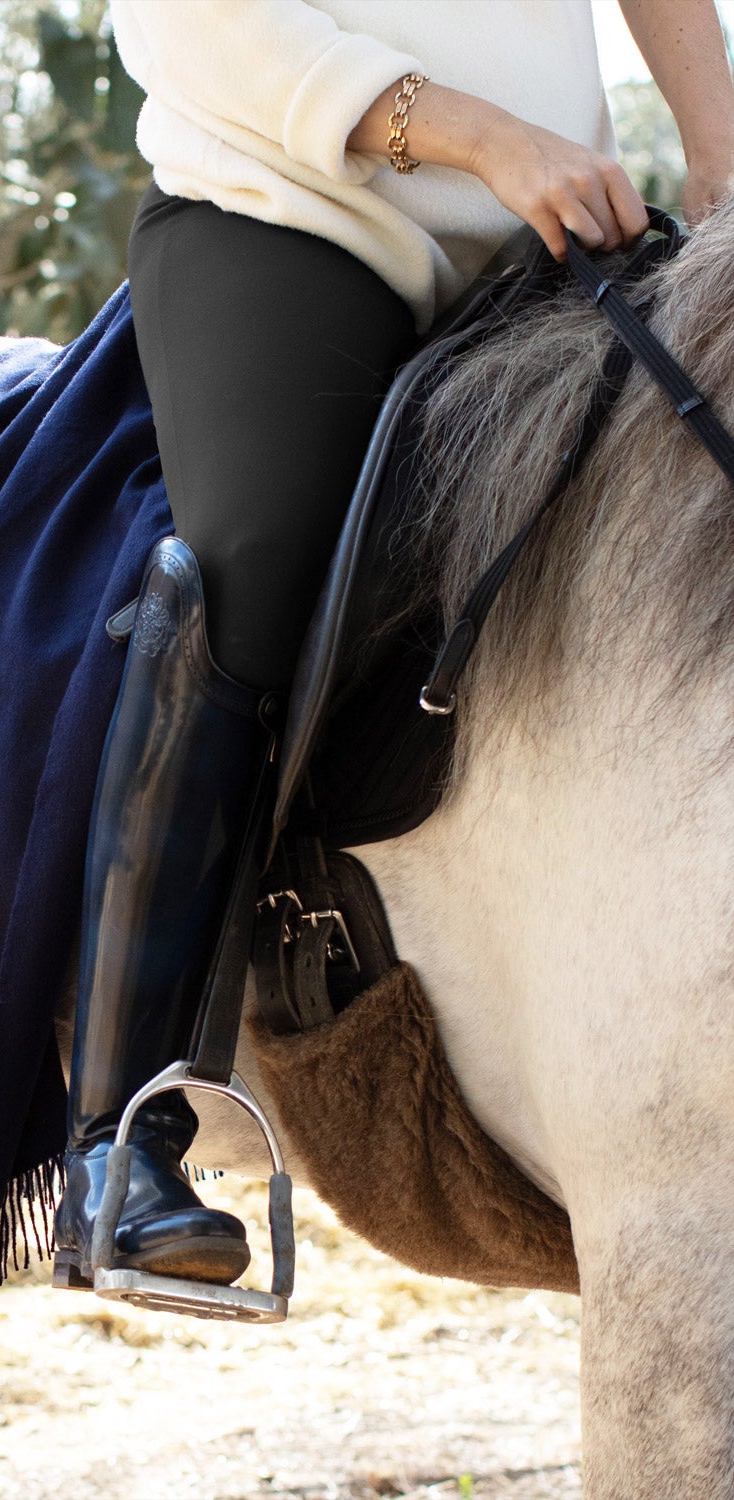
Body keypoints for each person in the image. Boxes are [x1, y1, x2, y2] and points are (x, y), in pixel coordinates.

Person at [55, 0, 734, 1290]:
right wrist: (482, 138)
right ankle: (118, 1128)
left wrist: (721, 152)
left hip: (552, 234)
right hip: (299, 219)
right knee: (244, 568)